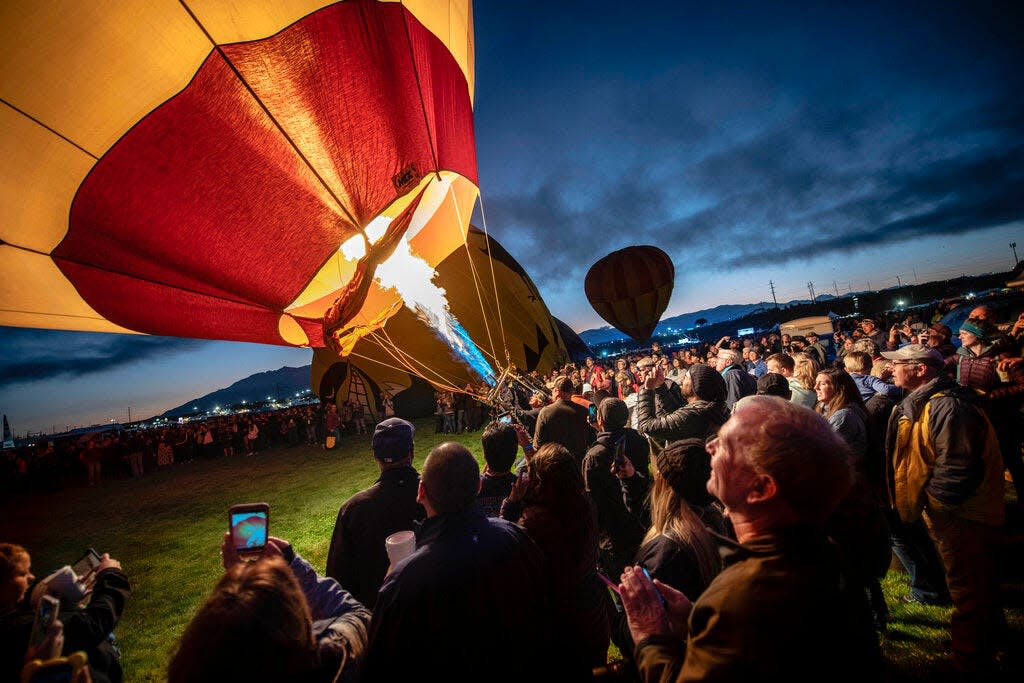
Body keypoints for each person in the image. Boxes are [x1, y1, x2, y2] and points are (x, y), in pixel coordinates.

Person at [618, 396, 882, 682]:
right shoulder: (816, 556)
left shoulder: (746, 598)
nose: (709, 447)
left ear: (761, 488)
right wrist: (700, 623)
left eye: (727, 444)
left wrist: (651, 636)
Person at [364, 443, 555, 682]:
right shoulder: (515, 538)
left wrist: (394, 577)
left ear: (421, 491)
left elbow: (379, 665)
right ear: (478, 486)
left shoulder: (404, 583)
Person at [882, 343, 1006, 676]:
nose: (890, 368)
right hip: (956, 512)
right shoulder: (928, 402)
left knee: (967, 588)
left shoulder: (948, 406)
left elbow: (957, 467)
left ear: (921, 369)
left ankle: (972, 661)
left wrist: (938, 506)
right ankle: (995, 644)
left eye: (898, 363)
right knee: (977, 584)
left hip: (963, 514)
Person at [168, 535, 369, 683]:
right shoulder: (330, 665)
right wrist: (291, 567)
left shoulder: (195, 670)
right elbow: (358, 619)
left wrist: (241, 581)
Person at [499, 443, 611, 677]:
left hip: (557, 624)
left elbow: (507, 551)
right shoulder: (585, 504)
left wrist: (511, 506)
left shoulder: (534, 522)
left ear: (538, 480)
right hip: (591, 613)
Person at [613, 438, 725, 660]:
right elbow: (658, 518)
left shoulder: (667, 554)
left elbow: (636, 638)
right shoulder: (716, 520)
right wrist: (632, 481)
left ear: (664, 485)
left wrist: (618, 609)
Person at [325, 417, 424, 609]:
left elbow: (338, 580)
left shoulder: (353, 509)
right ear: (411, 451)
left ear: (375, 456)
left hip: (378, 617)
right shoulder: (433, 494)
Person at [1, 543, 130, 683]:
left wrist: (42, 596)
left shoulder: (13, 610)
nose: (31, 577)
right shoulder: (16, 627)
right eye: (22, 573)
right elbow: (91, 625)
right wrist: (111, 574)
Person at [583, 398, 650, 582]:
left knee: (627, 590)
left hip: (615, 537)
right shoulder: (638, 440)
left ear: (601, 419)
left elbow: (592, 501)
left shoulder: (594, 456)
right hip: (642, 521)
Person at [635, 363, 729, 445]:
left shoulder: (695, 414)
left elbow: (646, 426)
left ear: (697, 385)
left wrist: (648, 390)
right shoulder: (709, 407)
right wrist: (660, 386)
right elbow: (675, 415)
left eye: (686, 378)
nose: (682, 381)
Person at [532, 375, 593, 464]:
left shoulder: (546, 412)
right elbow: (592, 439)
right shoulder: (586, 410)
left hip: (555, 465)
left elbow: (538, 445)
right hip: (579, 465)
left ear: (557, 391)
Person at [476, 421, 522, 517]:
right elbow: (537, 473)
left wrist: (490, 447)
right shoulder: (520, 488)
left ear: (484, 454)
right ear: (515, 454)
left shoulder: (473, 488)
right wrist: (527, 445)